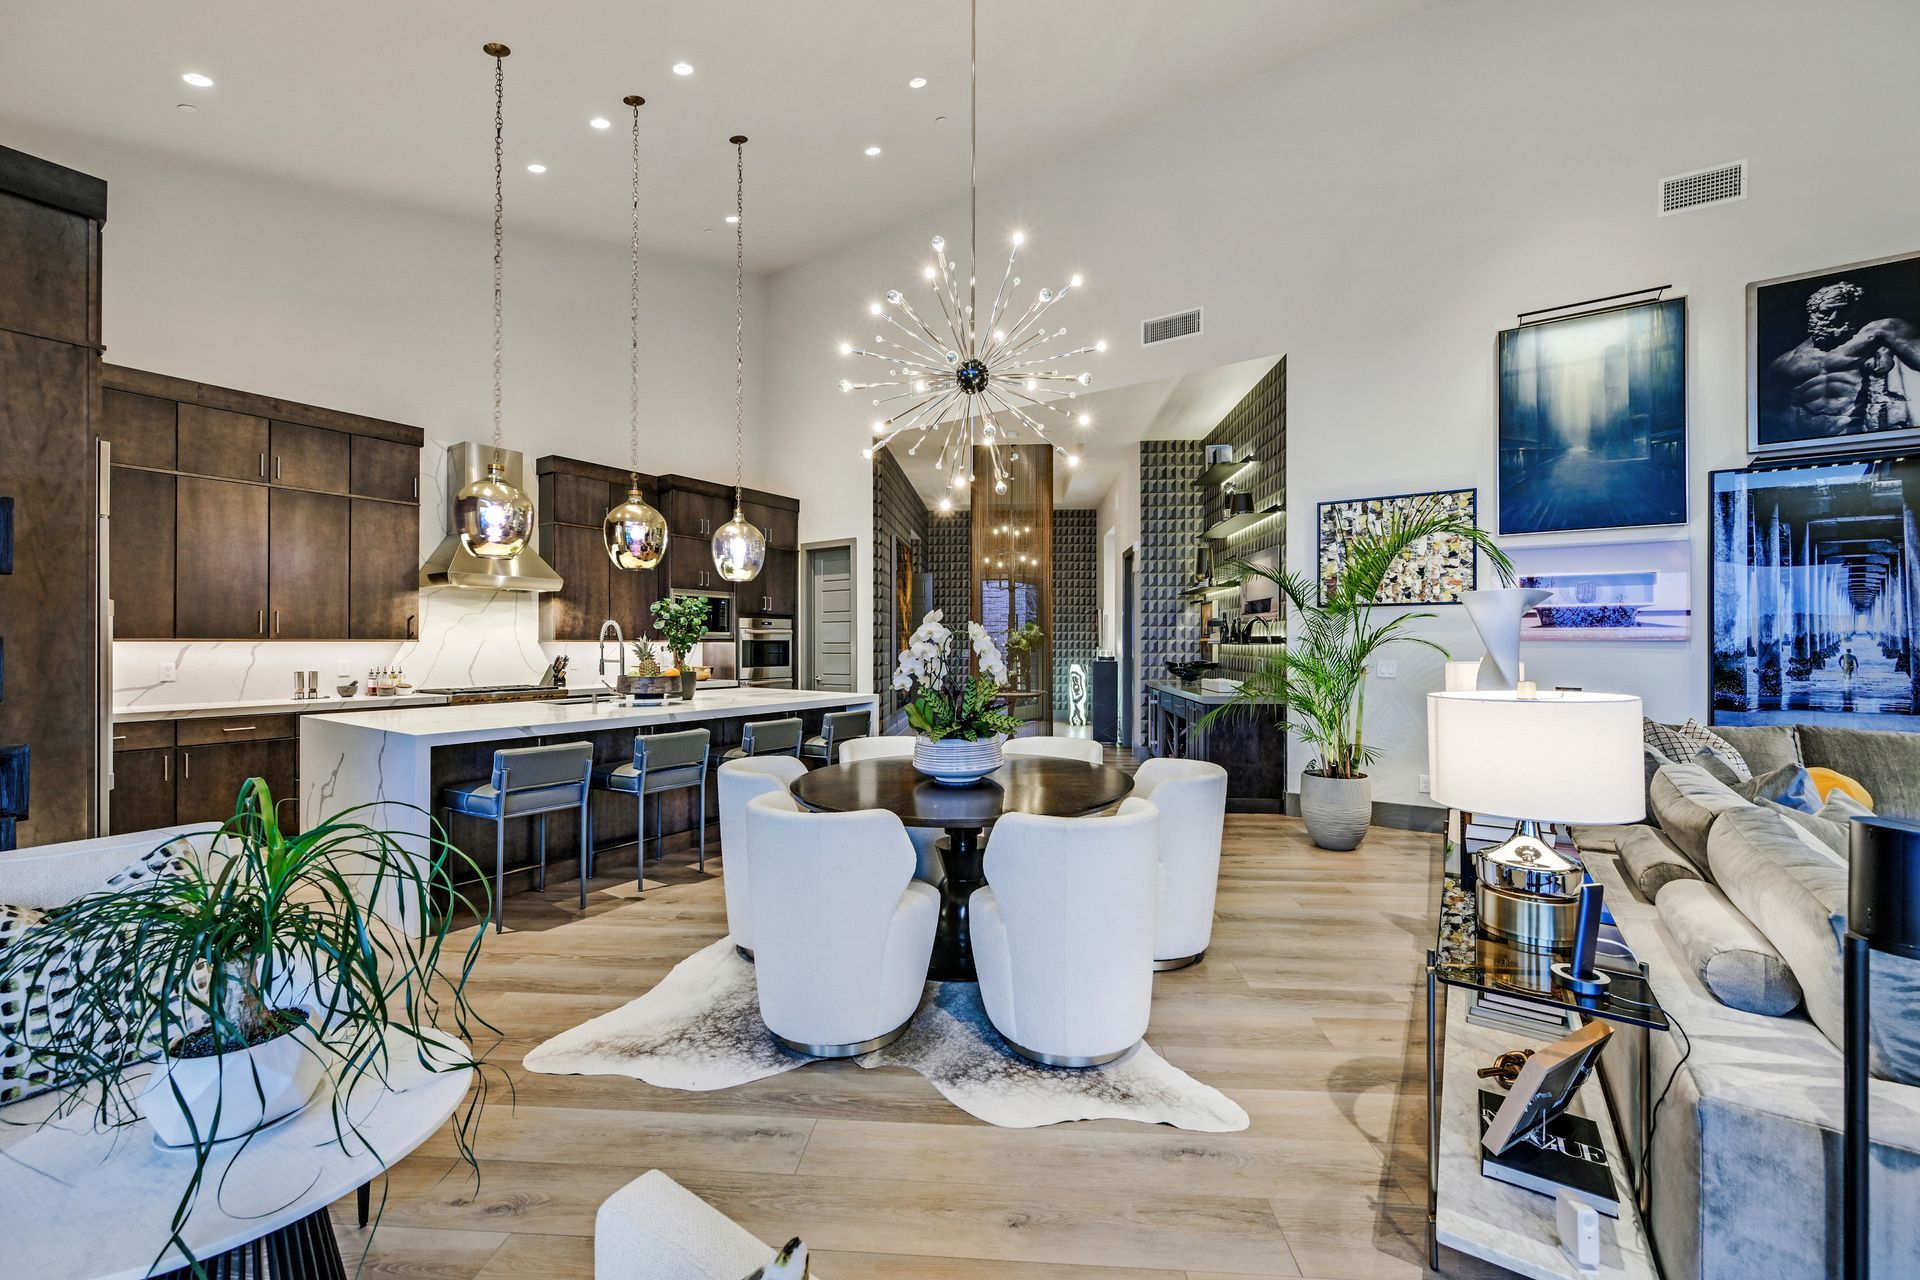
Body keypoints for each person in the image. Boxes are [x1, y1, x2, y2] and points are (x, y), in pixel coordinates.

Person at [1762, 281, 1920, 440]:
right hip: (1808, 446)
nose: (1834, 318)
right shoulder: (1785, 362)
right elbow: (1769, 416)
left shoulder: (1877, 334)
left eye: (1842, 310)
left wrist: (1887, 349)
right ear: (1812, 313)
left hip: (1861, 439)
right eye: (1826, 312)